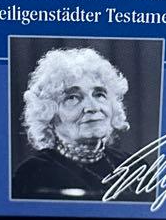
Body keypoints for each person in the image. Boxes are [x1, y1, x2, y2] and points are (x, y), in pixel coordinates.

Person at [12, 47, 139, 201]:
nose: (93, 107)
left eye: (99, 94)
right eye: (72, 97)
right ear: (48, 114)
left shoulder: (135, 167)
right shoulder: (32, 175)